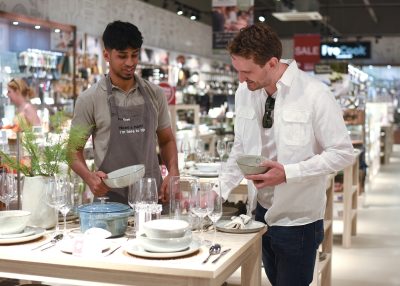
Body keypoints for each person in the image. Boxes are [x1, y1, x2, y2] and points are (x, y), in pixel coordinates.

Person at [218, 23, 355, 286]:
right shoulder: (244, 93)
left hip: (299, 221)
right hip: (258, 214)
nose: (241, 80)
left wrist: (288, 173)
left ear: (271, 63)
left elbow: (342, 153)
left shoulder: (315, 94)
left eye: (247, 72)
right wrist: (219, 190)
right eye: (237, 71)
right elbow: (240, 147)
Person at [70, 21, 179, 204]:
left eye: (134, 55)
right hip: (109, 202)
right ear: (106, 55)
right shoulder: (89, 99)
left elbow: (166, 139)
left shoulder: (155, 94)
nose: (130, 63)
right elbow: (73, 150)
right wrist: (89, 177)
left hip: (151, 198)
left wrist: (174, 171)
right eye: (122, 56)